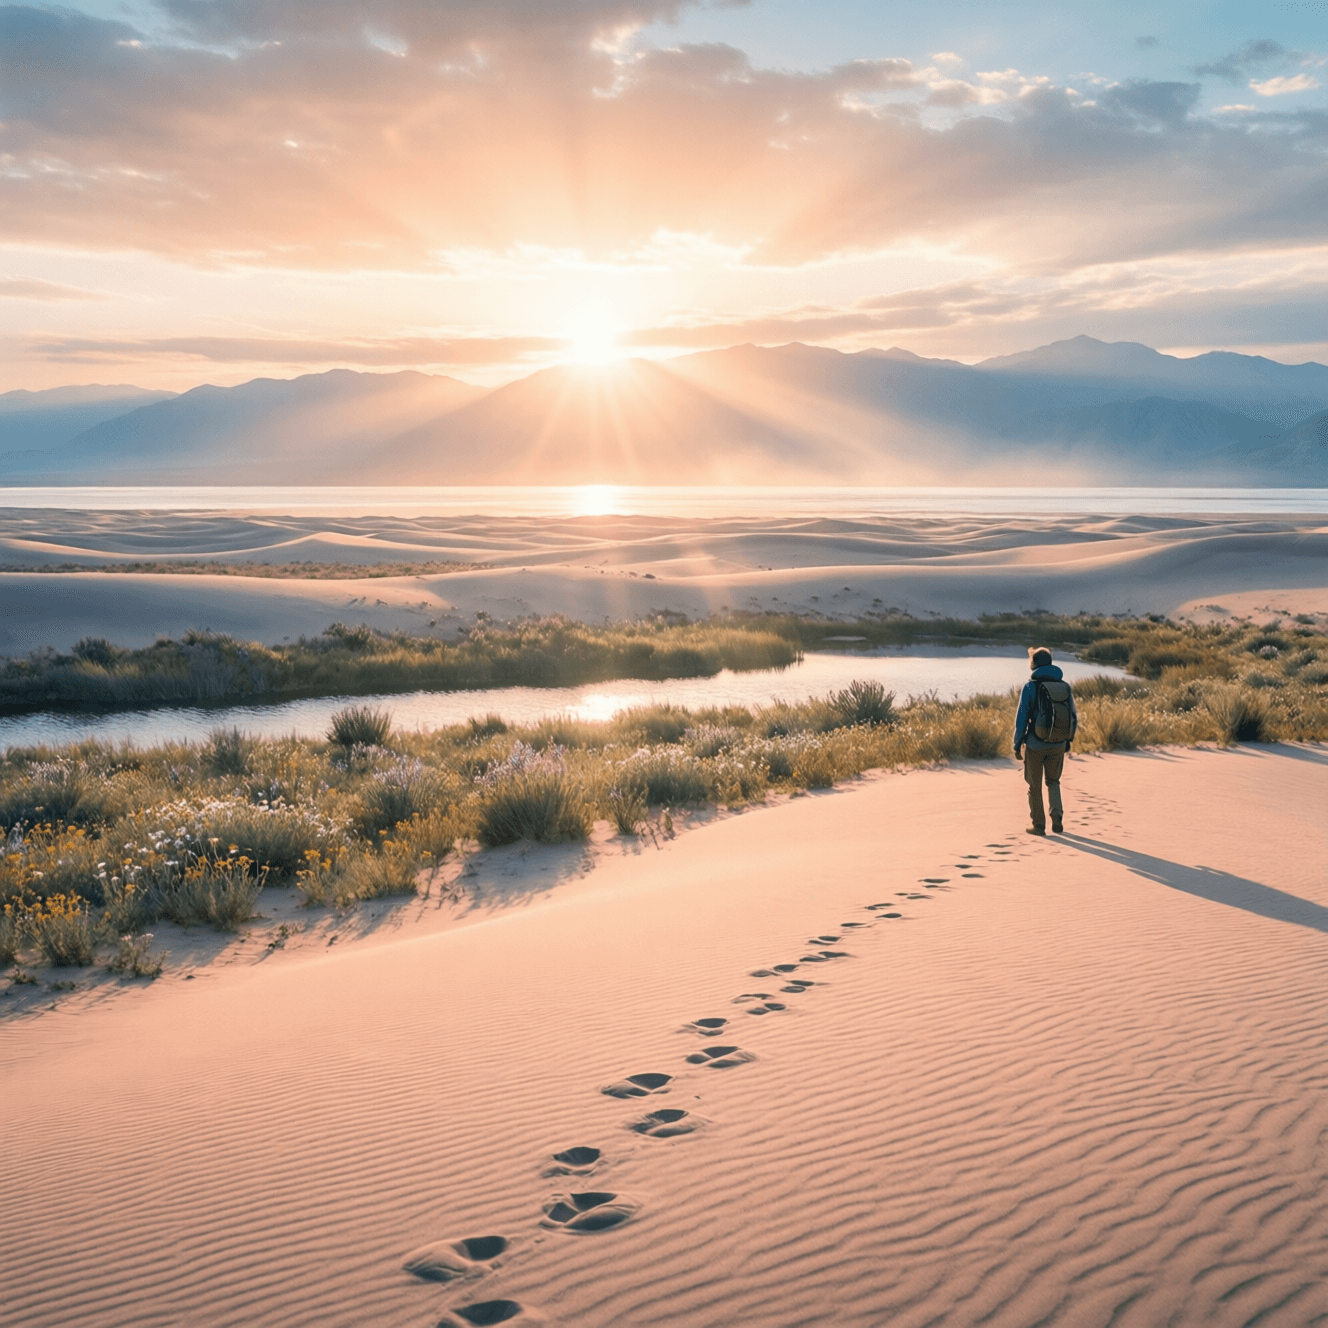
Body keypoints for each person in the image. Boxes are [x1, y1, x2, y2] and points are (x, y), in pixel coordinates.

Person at [1013, 646, 1077, 836]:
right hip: (1058, 744)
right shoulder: (1064, 686)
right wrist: (1068, 740)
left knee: (1034, 786)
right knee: (1054, 782)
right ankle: (1057, 819)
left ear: (1034, 664)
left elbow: (1022, 718)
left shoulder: (1030, 686)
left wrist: (1017, 744)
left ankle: (1038, 825)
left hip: (1035, 744)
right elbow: (1073, 716)